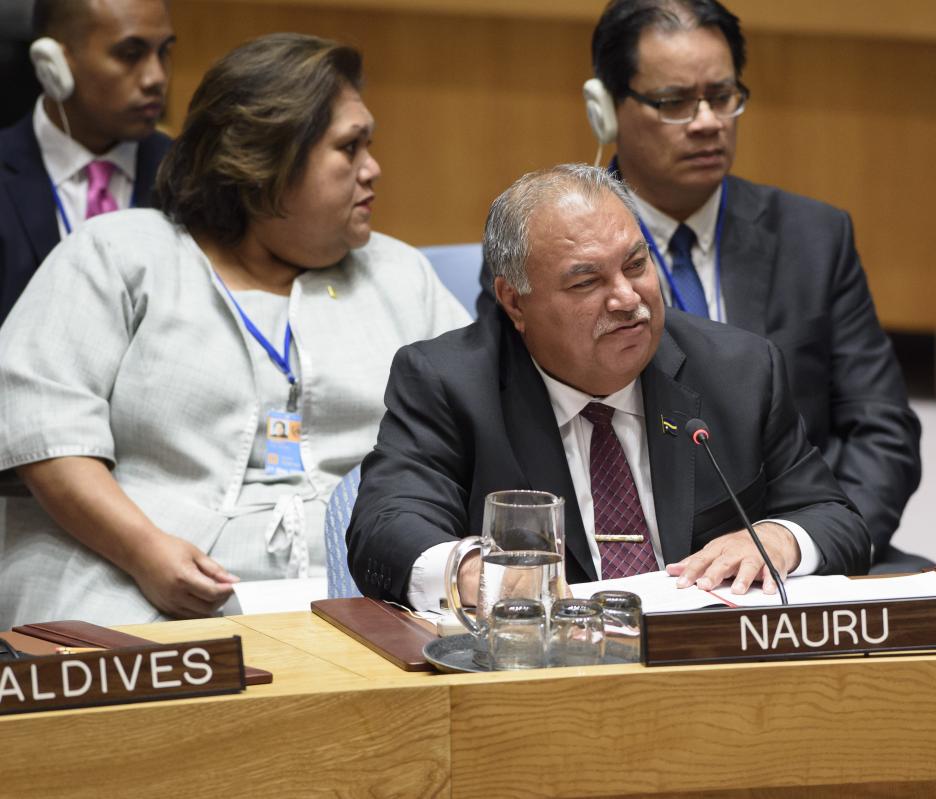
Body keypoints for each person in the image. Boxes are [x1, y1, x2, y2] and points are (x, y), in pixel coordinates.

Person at [0, 33, 471, 628]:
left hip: (366, 587)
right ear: (262, 165)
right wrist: (144, 551)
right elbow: (46, 434)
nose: (373, 169)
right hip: (130, 573)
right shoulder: (119, 254)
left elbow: (476, 430)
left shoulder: (400, 275)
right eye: (349, 148)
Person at [478, 0, 926, 572]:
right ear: (606, 111)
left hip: (797, 549)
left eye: (722, 96)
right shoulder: (542, 255)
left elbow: (881, 429)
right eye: (674, 103)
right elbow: (514, 429)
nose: (708, 120)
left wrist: (811, 540)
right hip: (631, 555)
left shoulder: (815, 236)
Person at [349, 164, 870, 611]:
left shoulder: (739, 369)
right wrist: (476, 573)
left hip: (705, 667)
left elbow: (834, 518)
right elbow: (386, 528)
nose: (627, 298)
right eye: (586, 282)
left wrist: (779, 540)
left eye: (636, 265)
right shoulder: (449, 382)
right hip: (541, 678)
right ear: (514, 302)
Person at [0, 0, 175, 324]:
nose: (156, 77)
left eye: (163, 51)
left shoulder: (190, 173)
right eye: (130, 54)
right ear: (52, 63)